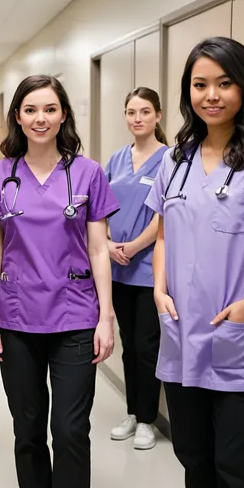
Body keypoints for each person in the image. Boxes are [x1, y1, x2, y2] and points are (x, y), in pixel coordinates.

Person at [0, 75, 119, 488]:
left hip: (75, 315)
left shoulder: (88, 173)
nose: (41, 118)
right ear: (17, 116)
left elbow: (98, 249)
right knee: (28, 429)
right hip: (17, 318)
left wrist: (105, 317)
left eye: (50, 109)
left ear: (63, 115)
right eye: (31, 109)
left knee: (71, 431)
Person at [146, 36, 244, 488]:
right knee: (192, 455)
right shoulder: (176, 160)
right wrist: (158, 287)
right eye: (200, 84)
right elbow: (165, 232)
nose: (211, 95)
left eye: (225, 83)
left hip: (238, 332)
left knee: (235, 463)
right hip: (181, 328)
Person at [105, 87, 169, 450]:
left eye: (145, 111)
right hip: (118, 266)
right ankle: (133, 412)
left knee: (147, 345)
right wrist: (111, 244)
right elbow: (101, 206)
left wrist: (134, 246)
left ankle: (147, 419)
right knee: (128, 345)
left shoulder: (171, 158)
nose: (138, 118)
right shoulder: (116, 159)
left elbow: (166, 214)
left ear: (158, 115)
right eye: (131, 112)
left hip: (148, 266)